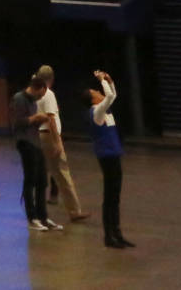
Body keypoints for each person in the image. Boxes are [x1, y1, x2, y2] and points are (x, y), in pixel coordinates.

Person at [32, 62, 88, 224]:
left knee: (41, 175)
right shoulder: (48, 94)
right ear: (52, 79)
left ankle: (36, 210)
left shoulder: (34, 93)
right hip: (50, 136)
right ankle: (74, 211)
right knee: (63, 173)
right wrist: (58, 142)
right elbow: (51, 119)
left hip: (39, 136)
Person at [90, 70, 133, 248]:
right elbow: (108, 95)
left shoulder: (105, 111)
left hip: (114, 156)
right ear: (93, 101)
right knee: (109, 197)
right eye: (96, 93)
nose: (100, 94)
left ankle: (117, 232)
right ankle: (109, 235)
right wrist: (102, 80)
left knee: (115, 197)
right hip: (106, 158)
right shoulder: (96, 113)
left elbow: (112, 95)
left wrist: (110, 80)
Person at [11, 74, 56, 232]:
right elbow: (18, 122)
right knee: (30, 179)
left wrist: (39, 120)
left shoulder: (33, 102)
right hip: (25, 142)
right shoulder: (19, 98)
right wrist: (35, 118)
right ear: (39, 88)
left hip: (36, 142)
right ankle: (32, 217)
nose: (41, 97)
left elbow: (31, 123)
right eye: (42, 94)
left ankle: (43, 216)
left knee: (42, 180)